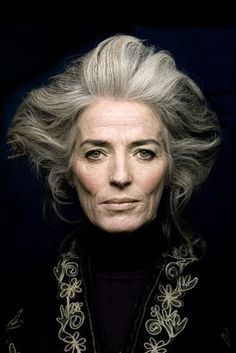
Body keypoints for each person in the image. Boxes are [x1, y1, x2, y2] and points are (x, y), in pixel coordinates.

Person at [1, 34, 233, 353]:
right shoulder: (22, 297)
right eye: (96, 153)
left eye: (145, 153)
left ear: (171, 167)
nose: (120, 176)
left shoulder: (223, 294)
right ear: (68, 168)